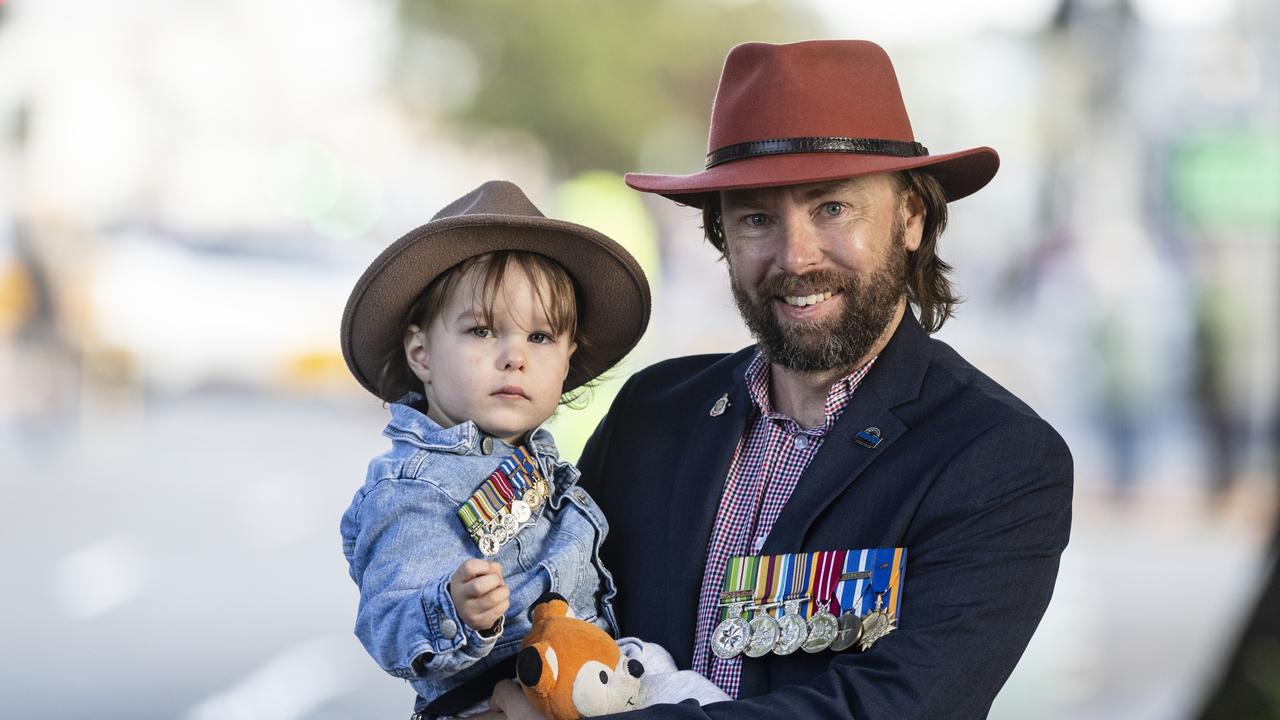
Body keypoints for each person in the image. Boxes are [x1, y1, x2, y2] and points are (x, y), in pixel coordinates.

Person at [488, 40, 1074, 719]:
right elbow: (539, 606)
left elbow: (893, 707)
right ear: (722, 239)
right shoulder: (652, 411)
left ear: (911, 217)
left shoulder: (997, 458)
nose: (795, 256)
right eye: (758, 218)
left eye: (832, 208)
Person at [339, 181, 729, 719]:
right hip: (491, 698)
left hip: (590, 670)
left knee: (698, 696)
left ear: (568, 358)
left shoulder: (534, 458)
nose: (513, 357)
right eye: (481, 331)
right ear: (422, 352)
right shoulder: (412, 484)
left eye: (540, 337)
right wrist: (456, 609)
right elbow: (388, 621)